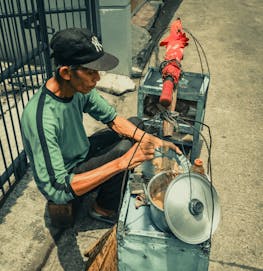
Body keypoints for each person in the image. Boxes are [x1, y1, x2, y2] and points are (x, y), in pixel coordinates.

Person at [21, 27, 181, 224]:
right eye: (90, 72)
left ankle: (116, 178)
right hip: (68, 177)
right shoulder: (41, 118)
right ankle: (102, 209)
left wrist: (156, 141)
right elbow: (57, 190)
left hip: (81, 153)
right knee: (125, 149)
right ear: (66, 72)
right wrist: (124, 162)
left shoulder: (77, 89)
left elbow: (112, 118)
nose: (97, 79)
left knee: (136, 125)